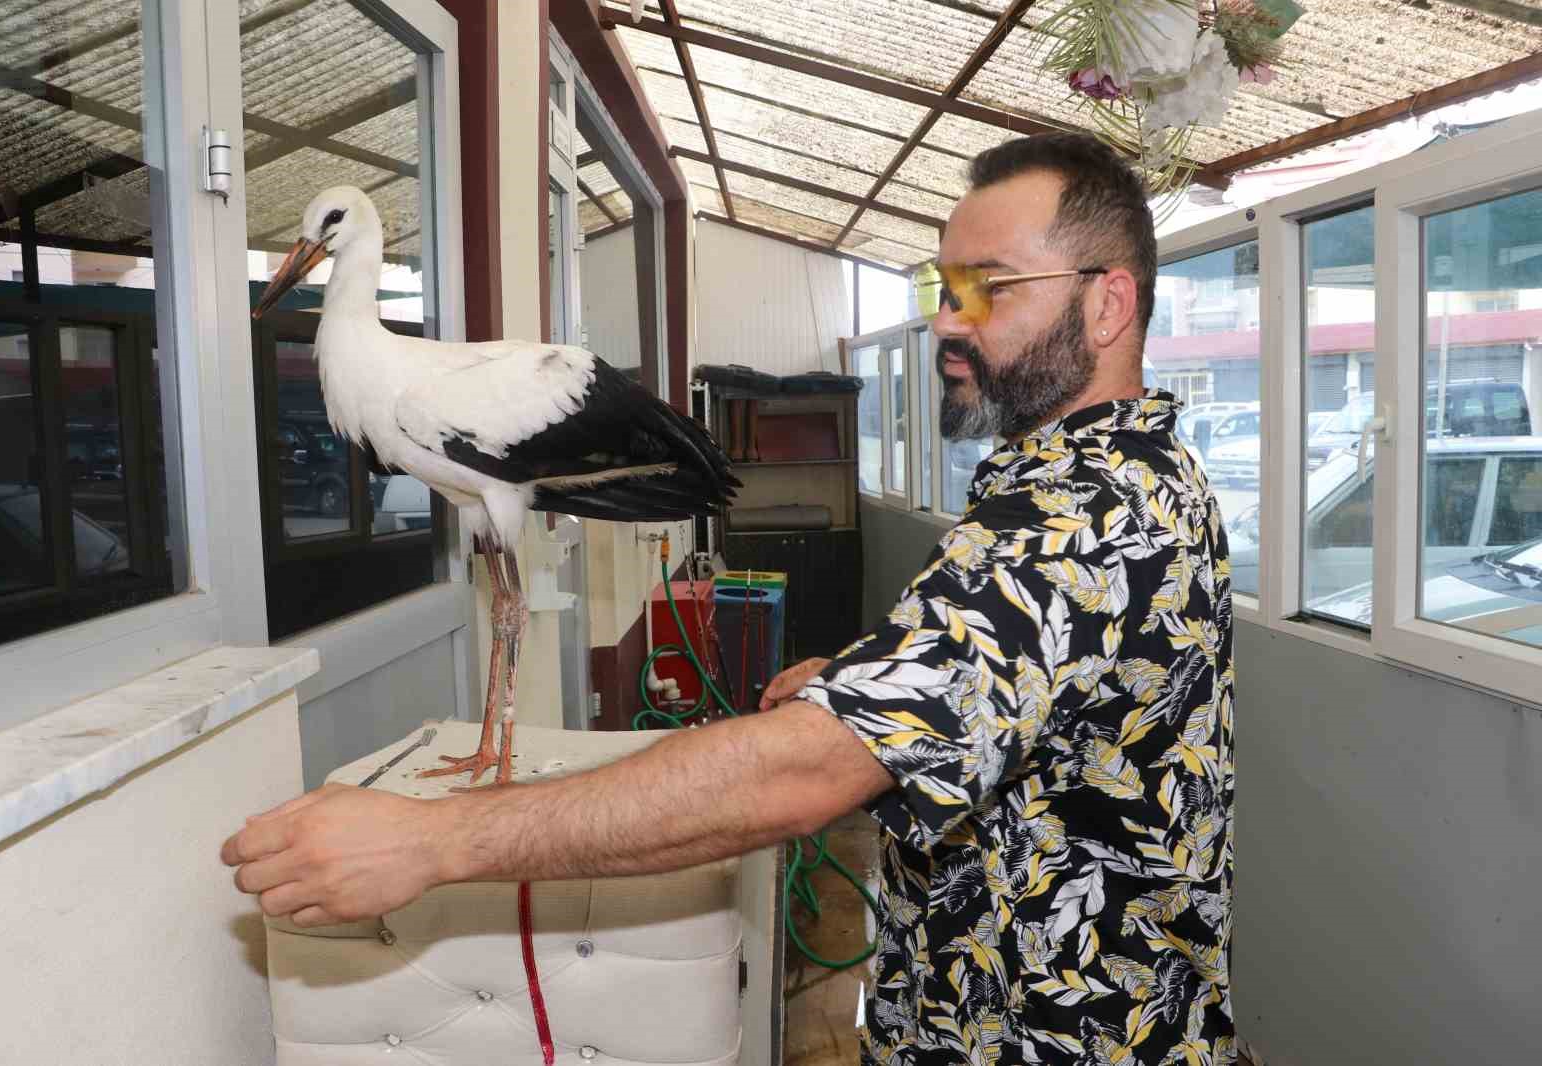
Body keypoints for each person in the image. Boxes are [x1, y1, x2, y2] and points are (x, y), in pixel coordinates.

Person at [222, 131, 1235, 1066]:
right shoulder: (1092, 484)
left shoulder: (1094, 515)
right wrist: (864, 680)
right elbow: (1047, 662)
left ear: (1107, 304)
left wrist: (432, 838)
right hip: (984, 1010)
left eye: (991, 288)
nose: (946, 321)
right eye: (945, 286)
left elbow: (802, 774)